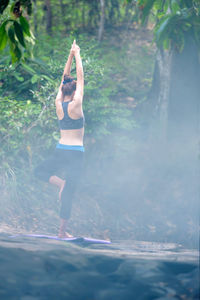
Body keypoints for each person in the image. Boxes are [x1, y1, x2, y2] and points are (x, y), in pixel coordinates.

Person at [34, 40, 84, 238]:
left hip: (60, 150)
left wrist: (70, 56)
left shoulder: (58, 103)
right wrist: (77, 53)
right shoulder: (77, 104)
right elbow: (79, 77)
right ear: (75, 91)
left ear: (63, 90)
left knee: (39, 171)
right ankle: (62, 232)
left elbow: (65, 78)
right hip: (75, 154)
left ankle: (60, 183)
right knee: (69, 192)